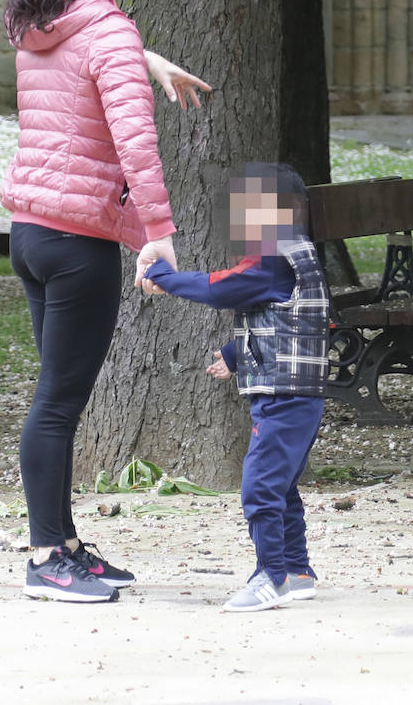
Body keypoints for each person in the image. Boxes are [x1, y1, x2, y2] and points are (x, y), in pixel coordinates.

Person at [3, 0, 212, 602]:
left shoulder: (37, 24)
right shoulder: (108, 35)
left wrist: (145, 57)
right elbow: (137, 146)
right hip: (76, 244)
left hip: (31, 234)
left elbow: (82, 55)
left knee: (56, 400)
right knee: (58, 405)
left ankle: (62, 545)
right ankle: (44, 560)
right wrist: (159, 233)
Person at [141, 163, 330, 613]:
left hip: (285, 396)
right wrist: (233, 353)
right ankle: (298, 571)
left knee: (260, 486)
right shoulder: (295, 252)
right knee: (281, 486)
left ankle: (271, 576)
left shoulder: (273, 255)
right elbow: (286, 318)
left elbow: (220, 289)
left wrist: (164, 277)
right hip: (296, 393)